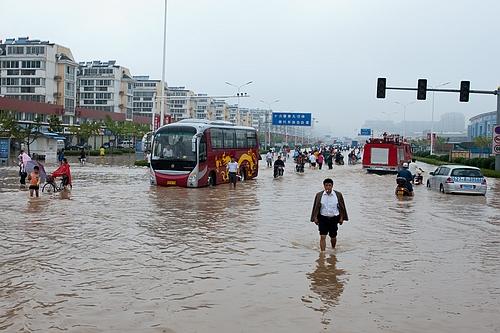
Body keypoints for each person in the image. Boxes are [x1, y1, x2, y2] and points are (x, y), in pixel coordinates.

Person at [310, 178, 349, 251]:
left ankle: (333, 249)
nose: (328, 187)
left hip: (334, 218)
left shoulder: (338, 195)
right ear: (324, 186)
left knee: (333, 236)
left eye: (329, 185)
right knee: (322, 236)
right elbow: (316, 207)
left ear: (332, 186)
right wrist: (315, 217)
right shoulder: (319, 195)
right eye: (326, 185)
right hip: (323, 218)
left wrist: (341, 218)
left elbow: (341, 207)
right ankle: (322, 253)